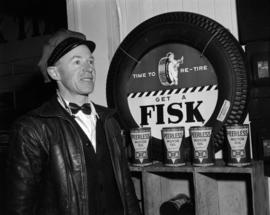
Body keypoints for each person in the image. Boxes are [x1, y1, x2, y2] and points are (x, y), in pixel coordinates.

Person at [6, 29, 141, 215]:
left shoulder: (110, 122)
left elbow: (127, 192)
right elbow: (19, 207)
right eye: (77, 61)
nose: (89, 68)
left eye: (90, 61)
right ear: (55, 73)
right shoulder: (32, 129)